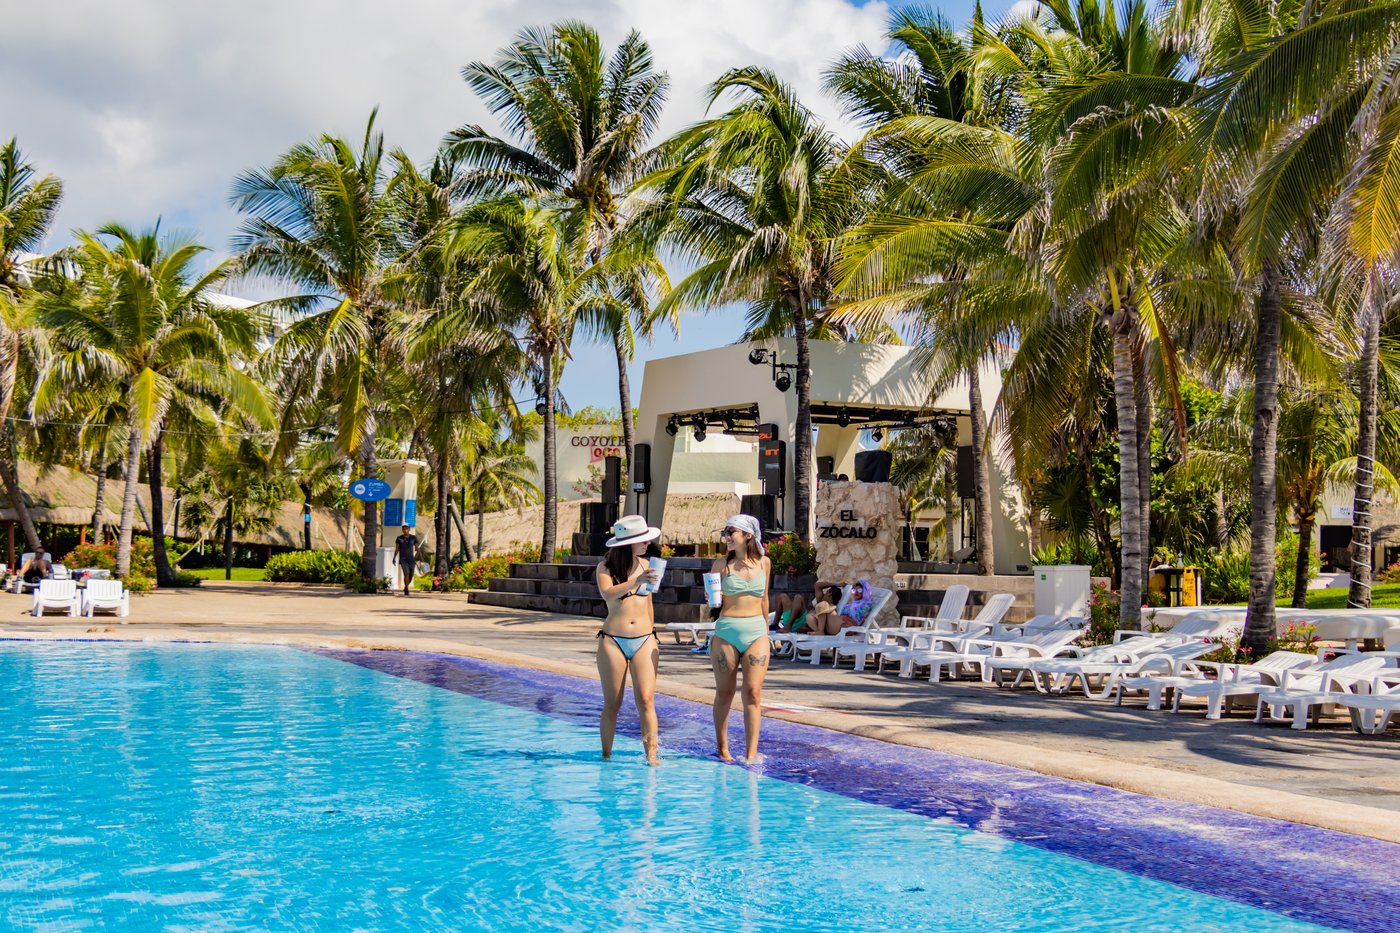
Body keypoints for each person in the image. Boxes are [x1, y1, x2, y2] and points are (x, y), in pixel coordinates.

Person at [595, 515, 663, 765]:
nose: (647, 543)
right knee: (613, 703)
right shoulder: (605, 568)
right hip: (613, 640)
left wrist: (653, 633)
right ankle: (606, 756)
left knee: (646, 700)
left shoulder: (649, 565)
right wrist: (635, 581)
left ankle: (652, 757)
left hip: (644, 639)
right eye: (643, 540)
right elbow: (607, 593)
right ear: (628, 543)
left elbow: (649, 602)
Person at [710, 514, 771, 763]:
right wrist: (711, 598)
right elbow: (714, 602)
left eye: (731, 532)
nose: (727, 537)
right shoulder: (721, 565)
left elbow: (764, 598)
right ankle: (723, 748)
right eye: (725, 533)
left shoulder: (764, 563)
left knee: (753, 692)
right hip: (727, 631)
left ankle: (751, 754)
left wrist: (767, 631)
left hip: (756, 631)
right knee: (725, 692)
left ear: (747, 535)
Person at [806, 578, 877, 636]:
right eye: (853, 590)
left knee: (822, 604)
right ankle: (820, 631)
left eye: (859, 590)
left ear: (864, 591)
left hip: (845, 627)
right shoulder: (851, 604)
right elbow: (817, 585)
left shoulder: (866, 604)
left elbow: (861, 620)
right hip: (836, 625)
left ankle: (820, 631)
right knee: (809, 617)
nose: (856, 592)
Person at [394, 525, 418, 595]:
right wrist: (394, 557)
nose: (405, 530)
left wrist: (421, 557)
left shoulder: (413, 538)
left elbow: (417, 548)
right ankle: (407, 588)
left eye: (406, 529)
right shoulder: (399, 538)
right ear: (402, 530)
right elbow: (397, 549)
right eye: (404, 529)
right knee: (406, 573)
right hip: (403, 559)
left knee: (411, 574)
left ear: (409, 529)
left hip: (411, 559)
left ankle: (406, 586)